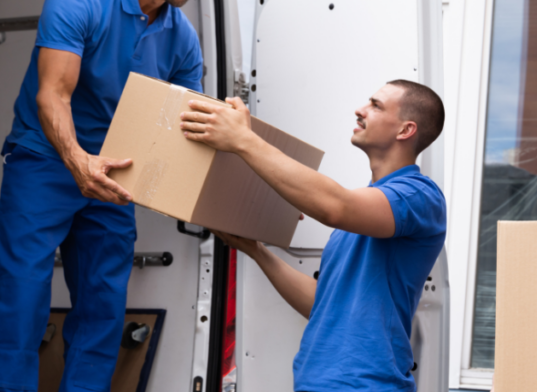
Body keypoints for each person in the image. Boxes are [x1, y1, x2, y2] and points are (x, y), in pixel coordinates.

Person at [0, 0, 220, 392]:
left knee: (103, 305)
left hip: (114, 170)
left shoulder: (183, 41)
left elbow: (181, 124)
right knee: (20, 296)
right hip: (44, 160)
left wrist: (225, 126)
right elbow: (52, 95)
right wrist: (77, 159)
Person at [179, 80, 446, 392]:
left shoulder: (419, 197)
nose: (360, 110)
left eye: (376, 105)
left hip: (367, 385)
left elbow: (334, 206)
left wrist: (244, 140)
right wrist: (256, 251)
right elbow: (323, 304)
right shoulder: (365, 212)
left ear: (405, 130)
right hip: (316, 382)